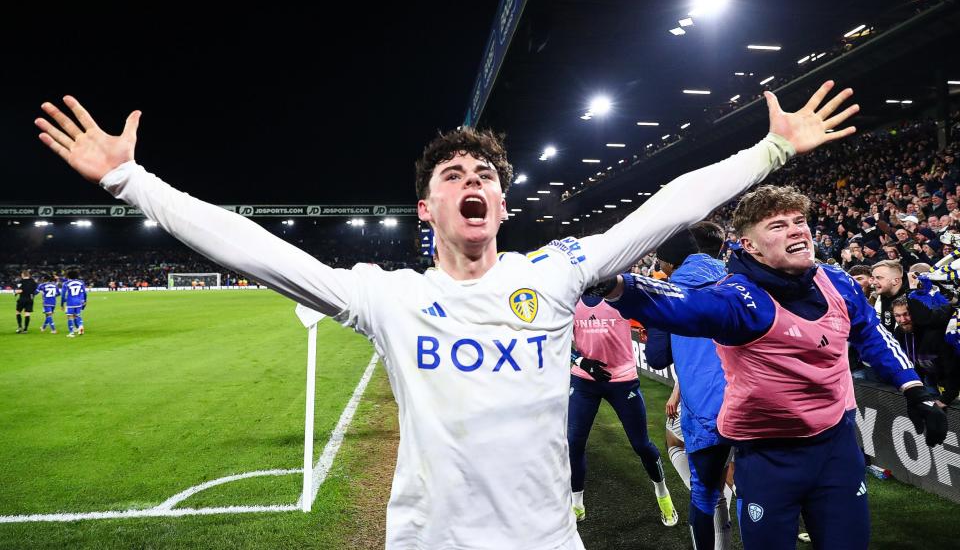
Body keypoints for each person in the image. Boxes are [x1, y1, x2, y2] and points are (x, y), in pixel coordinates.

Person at [35, 82, 857, 550]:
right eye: (453, 172)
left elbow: (661, 211)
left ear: (501, 201)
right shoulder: (391, 297)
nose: (472, 178)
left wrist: (770, 151)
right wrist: (132, 184)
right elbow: (258, 251)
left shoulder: (559, 273)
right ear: (426, 208)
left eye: (485, 173)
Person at [589, 185, 948, 549]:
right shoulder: (739, 298)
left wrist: (913, 387)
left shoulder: (836, 281)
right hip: (767, 453)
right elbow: (682, 304)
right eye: (777, 226)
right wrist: (616, 285)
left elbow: (871, 332)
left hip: (836, 445)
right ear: (750, 246)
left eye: (800, 221)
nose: (796, 230)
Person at [643, 226, 734, 550]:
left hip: (707, 411)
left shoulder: (664, 293)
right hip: (754, 404)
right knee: (758, 495)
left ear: (668, 263)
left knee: (705, 494)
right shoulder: (741, 278)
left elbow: (656, 357)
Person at [568, 291, 677, 527]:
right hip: (584, 380)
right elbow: (556, 340)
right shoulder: (570, 299)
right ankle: (577, 505)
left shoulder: (619, 295)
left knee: (641, 445)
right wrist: (581, 361)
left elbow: (655, 317)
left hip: (622, 380)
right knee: (574, 442)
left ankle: (662, 494)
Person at [61, 270, 88, 337]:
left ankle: (71, 333)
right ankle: (80, 327)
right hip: (79, 301)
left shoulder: (66, 283)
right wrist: (85, 300)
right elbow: (85, 293)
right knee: (77, 315)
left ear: (68, 276)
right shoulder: (81, 282)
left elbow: (63, 295)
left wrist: (62, 304)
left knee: (69, 316)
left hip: (70, 302)